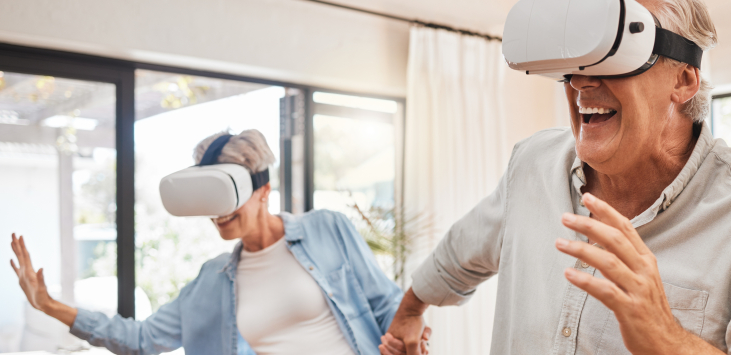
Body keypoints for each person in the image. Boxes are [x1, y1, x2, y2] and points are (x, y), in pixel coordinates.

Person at [382, 0, 731, 355]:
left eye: (616, 58)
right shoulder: (533, 165)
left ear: (685, 81)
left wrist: (666, 338)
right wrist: (409, 313)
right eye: (577, 63)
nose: (582, 84)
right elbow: (459, 254)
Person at [10, 129, 424, 355]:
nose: (216, 212)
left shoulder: (326, 228)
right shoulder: (213, 280)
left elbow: (387, 303)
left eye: (225, 193)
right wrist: (48, 305)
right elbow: (140, 339)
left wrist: (408, 338)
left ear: (262, 189)